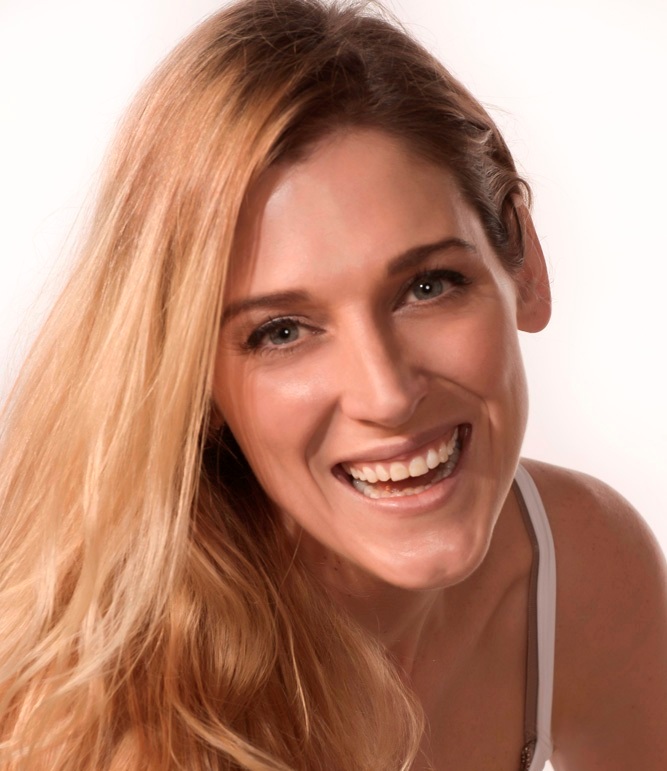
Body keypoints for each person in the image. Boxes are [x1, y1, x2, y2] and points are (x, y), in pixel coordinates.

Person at [0, 0, 665, 768]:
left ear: (524, 261)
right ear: (190, 383)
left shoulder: (581, 563)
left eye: (428, 285)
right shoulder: (120, 721)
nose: (385, 394)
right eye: (282, 331)